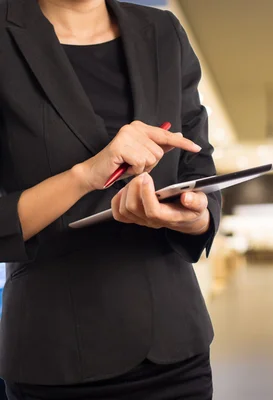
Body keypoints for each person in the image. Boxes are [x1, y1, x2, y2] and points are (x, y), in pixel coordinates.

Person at [0, 0, 221, 398]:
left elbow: (197, 165)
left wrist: (194, 217)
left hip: (175, 350)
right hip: (56, 359)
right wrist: (84, 176)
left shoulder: (163, 31)